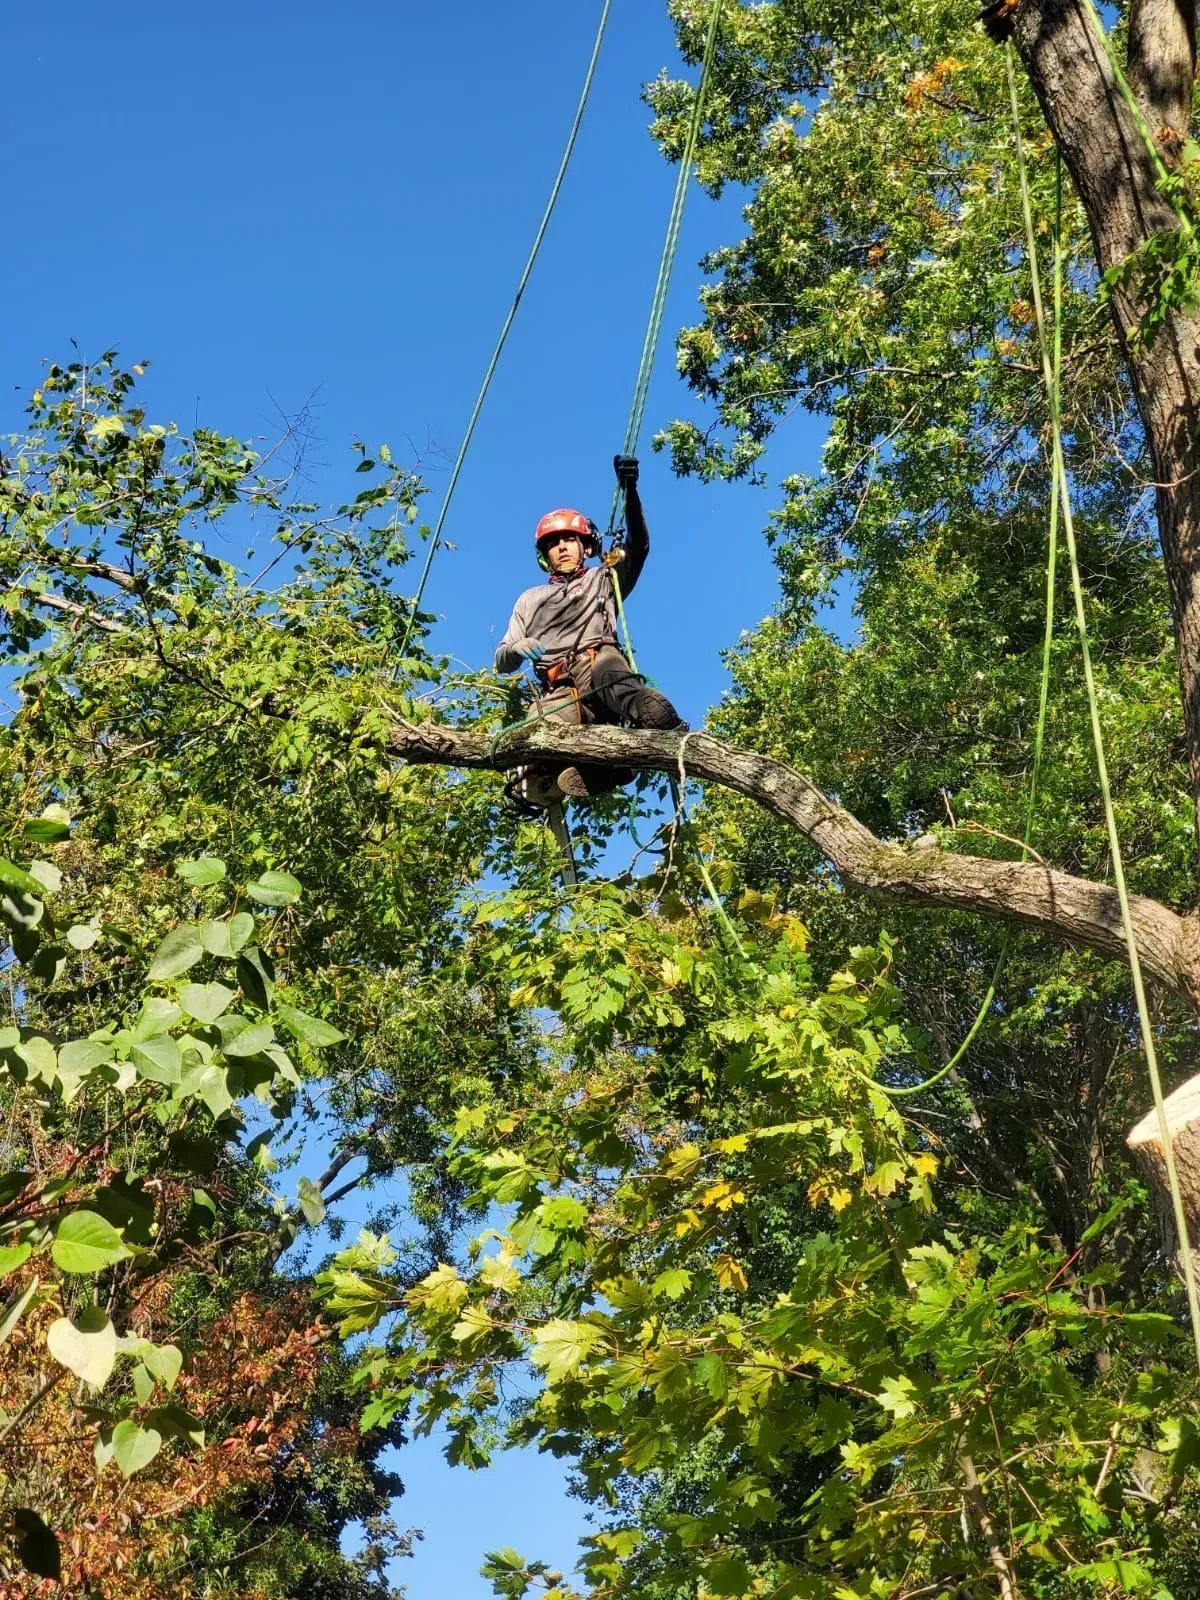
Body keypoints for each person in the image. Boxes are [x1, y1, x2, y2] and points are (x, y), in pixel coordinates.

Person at [494, 455, 685, 801]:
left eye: (569, 539)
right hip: (561, 689)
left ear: (586, 546)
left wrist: (631, 492)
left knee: (613, 678)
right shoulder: (529, 599)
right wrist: (515, 649)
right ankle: (600, 769)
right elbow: (501, 659)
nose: (561, 547)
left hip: (598, 663)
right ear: (544, 555)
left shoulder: (604, 578)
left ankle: (653, 715)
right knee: (536, 733)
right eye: (553, 543)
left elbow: (639, 546)